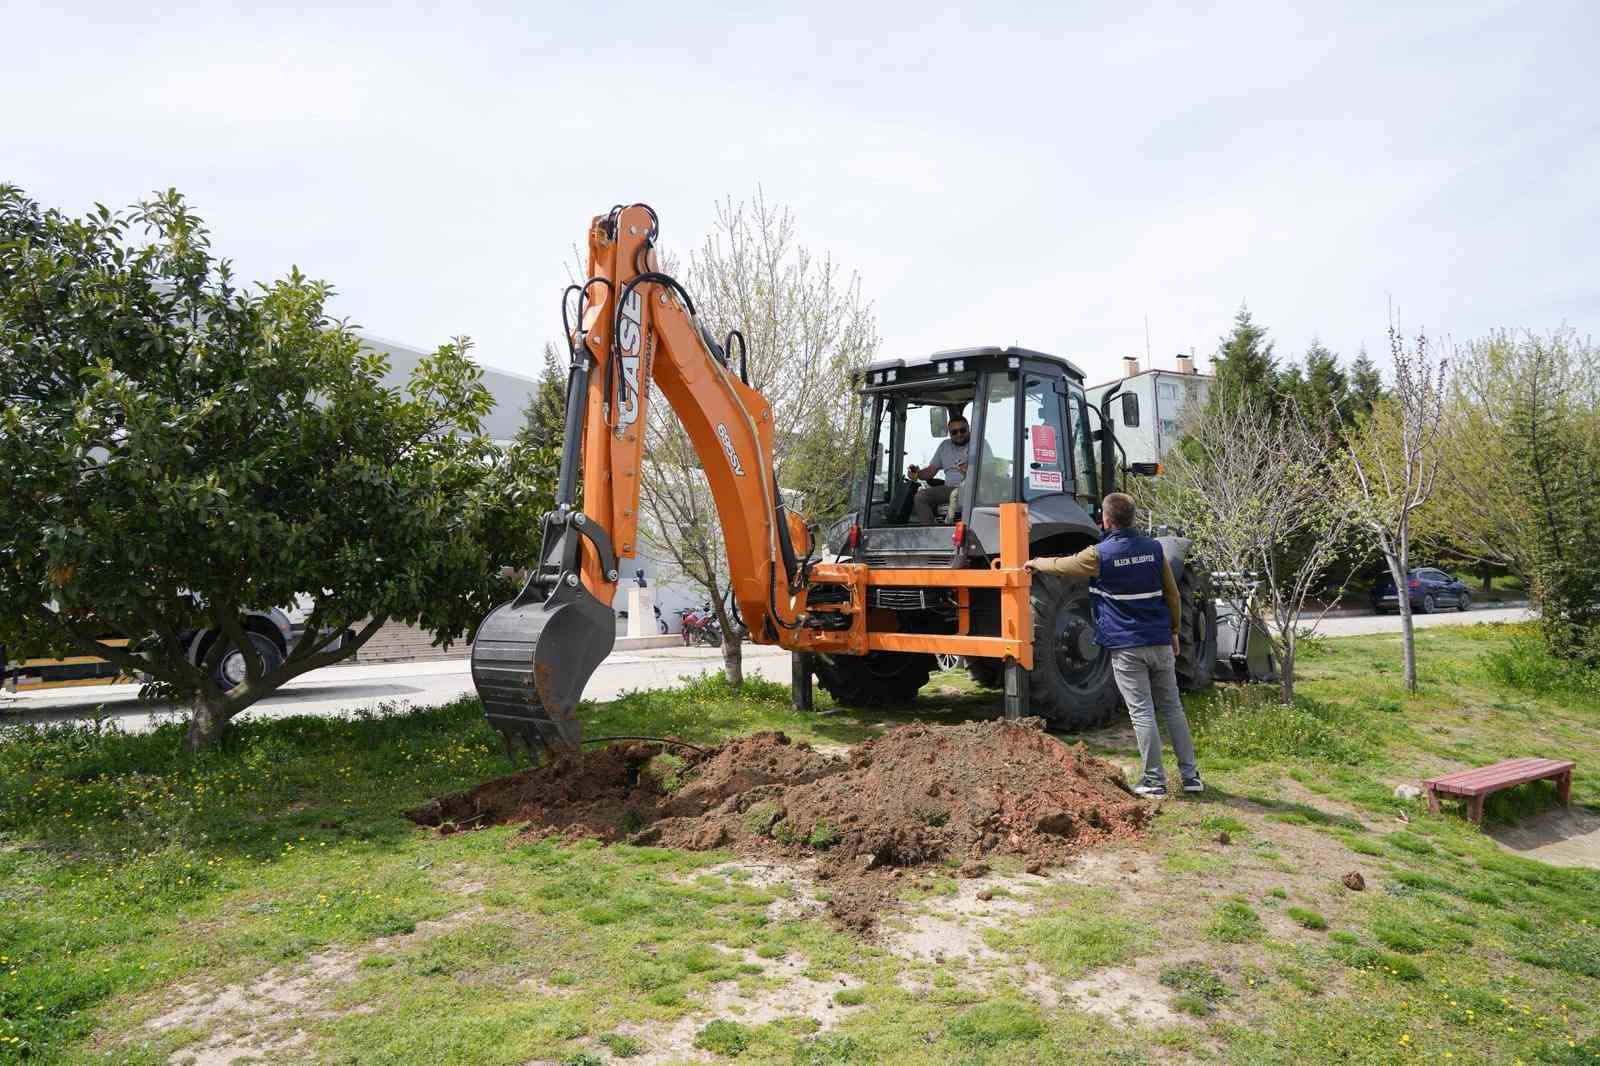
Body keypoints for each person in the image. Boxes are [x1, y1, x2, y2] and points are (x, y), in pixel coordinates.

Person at [1027, 492, 1202, 798]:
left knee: (1143, 713)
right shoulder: (1154, 549)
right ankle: (1191, 777)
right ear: (1133, 517)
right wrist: (1174, 631)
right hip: (1160, 643)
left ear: (1106, 520)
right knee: (1172, 708)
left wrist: (1036, 562)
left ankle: (1153, 781)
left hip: (1127, 647)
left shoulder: (1099, 554)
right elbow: (1172, 595)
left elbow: (1063, 565)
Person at [906, 414, 971, 525]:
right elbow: (931, 471)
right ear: (950, 434)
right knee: (920, 497)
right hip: (949, 489)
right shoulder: (945, 446)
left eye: (962, 430)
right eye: (954, 432)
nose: (959, 434)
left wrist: (969, 471)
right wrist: (917, 474)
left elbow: (988, 471)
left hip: (970, 489)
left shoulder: (978, 443)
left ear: (968, 429)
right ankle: (933, 533)